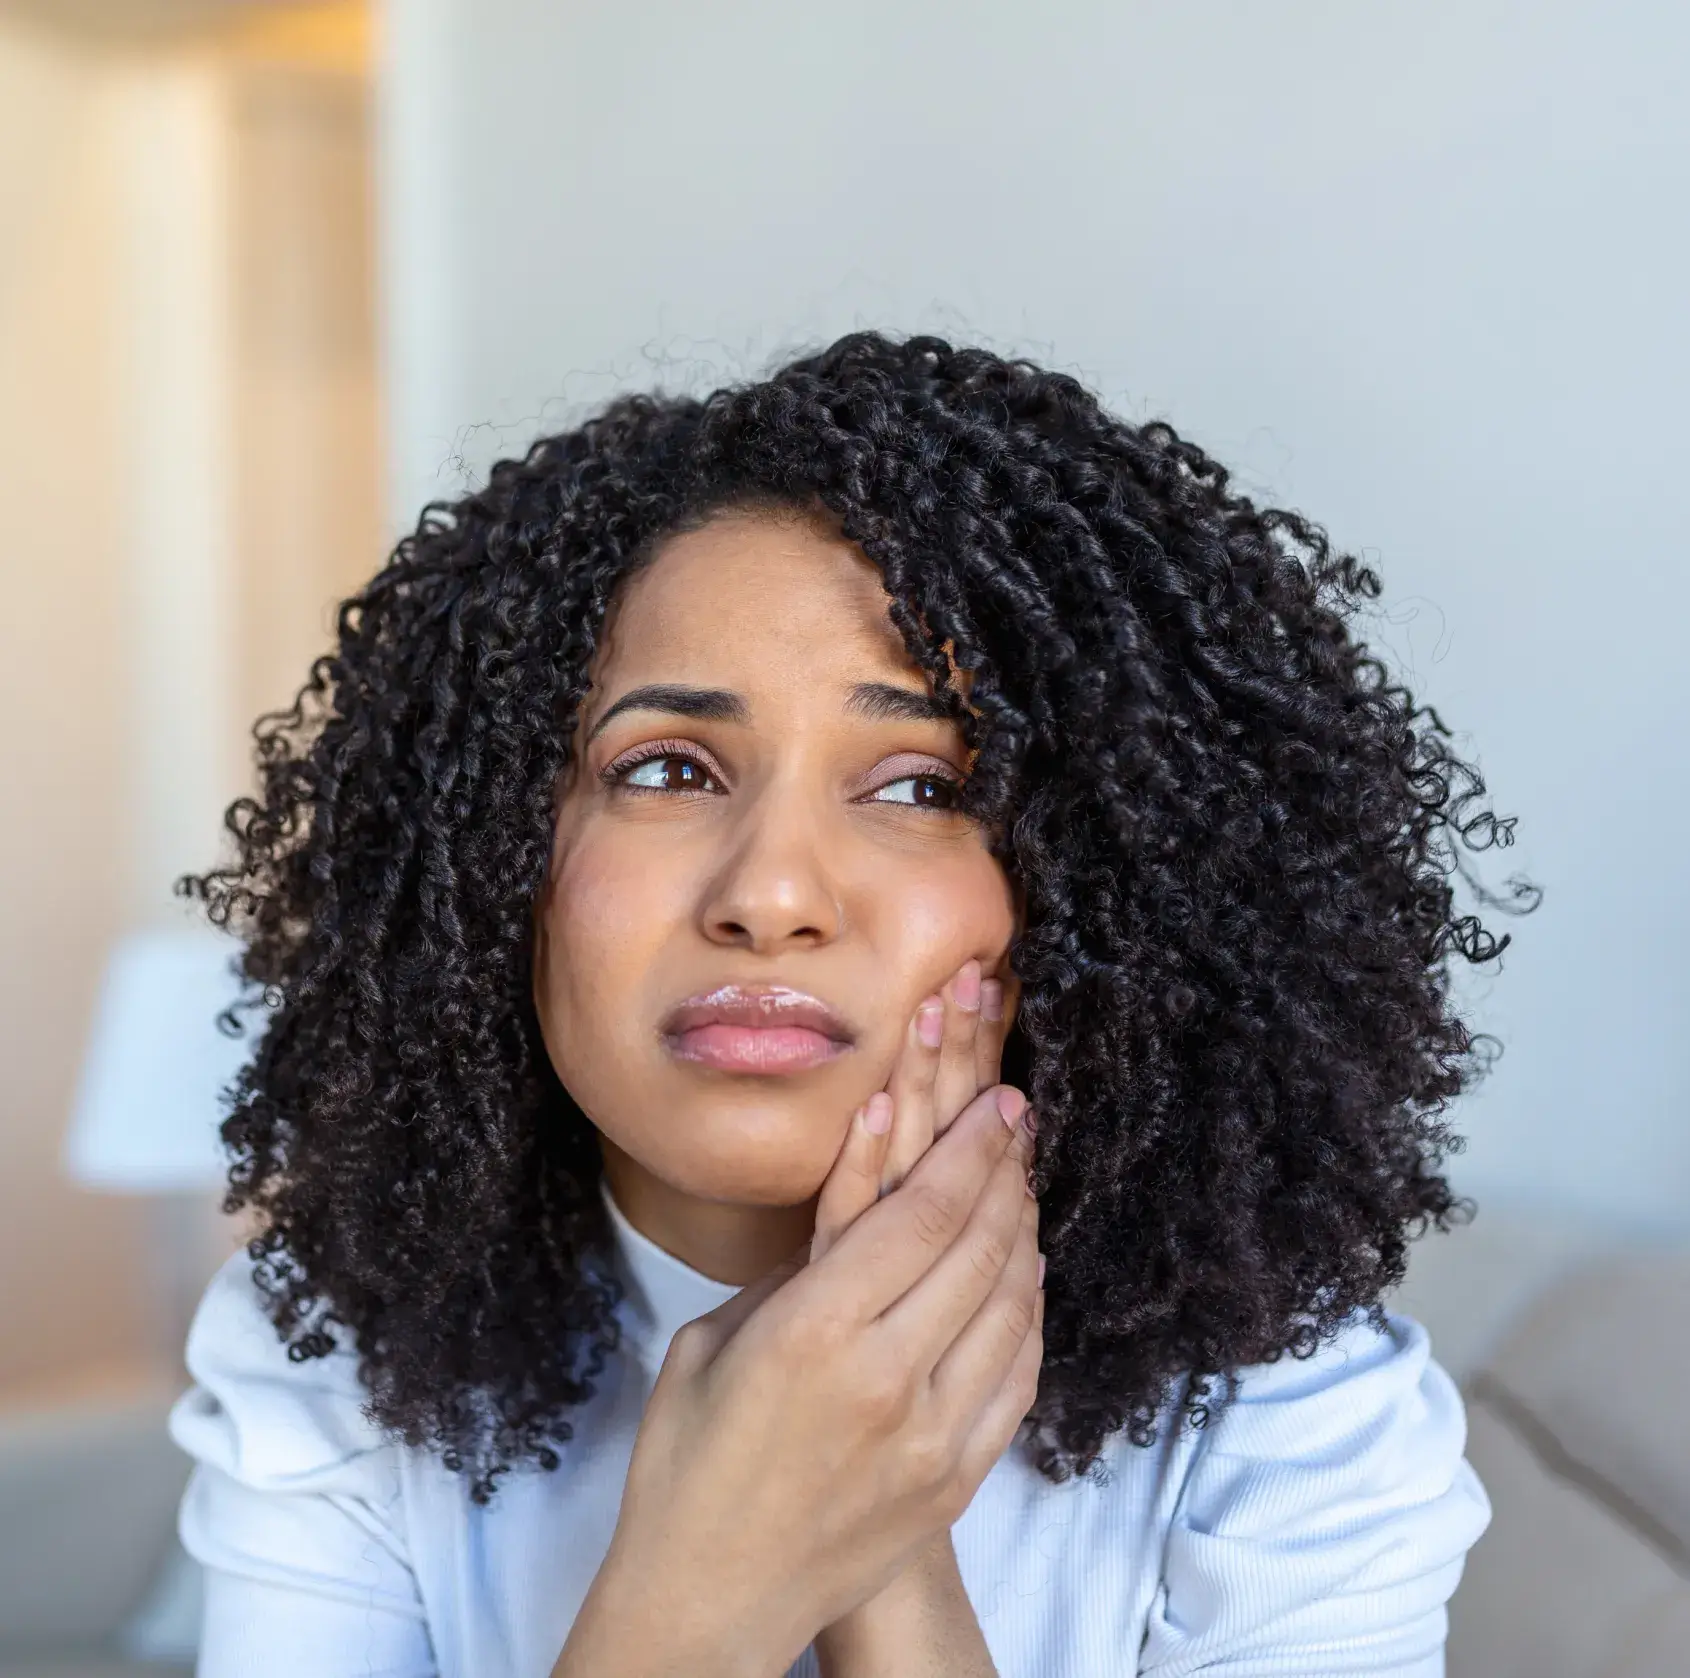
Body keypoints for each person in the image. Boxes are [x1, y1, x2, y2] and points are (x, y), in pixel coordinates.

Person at [168, 332, 1529, 1677]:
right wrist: (696, 1591)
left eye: (923, 786)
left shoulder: (1293, 1426)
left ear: (1109, 889)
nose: (769, 892)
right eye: (666, 769)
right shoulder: (335, 1364)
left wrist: (877, 1518)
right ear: (498, 861)